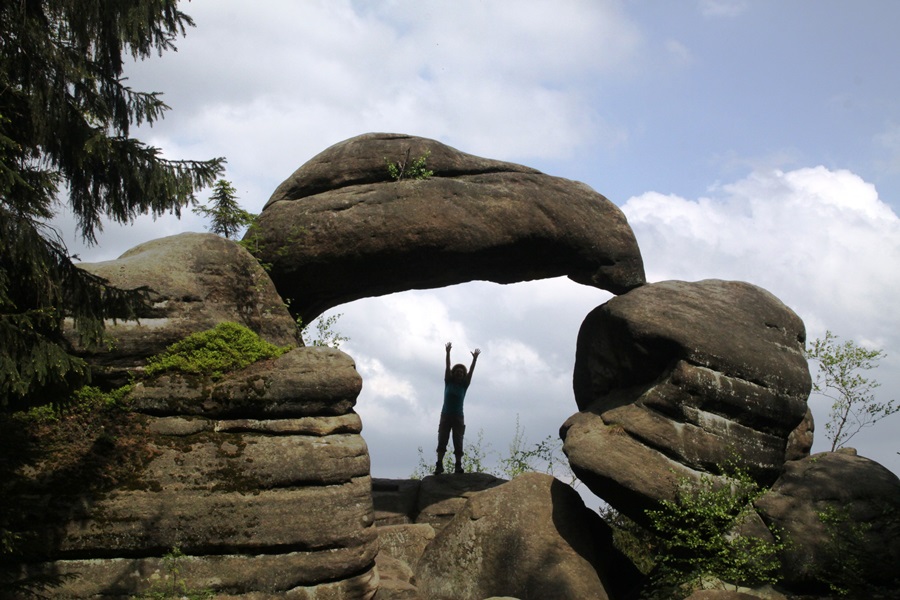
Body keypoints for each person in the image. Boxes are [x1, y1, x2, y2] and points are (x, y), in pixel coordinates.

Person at [435, 342, 481, 474]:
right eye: (458, 372)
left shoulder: (464, 386)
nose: (460, 373)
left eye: (462, 372)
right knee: (442, 439)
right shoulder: (448, 382)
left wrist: (474, 359)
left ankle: (458, 465)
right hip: (445, 415)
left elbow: (471, 372)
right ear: (453, 373)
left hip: (458, 416)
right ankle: (439, 464)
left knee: (458, 440)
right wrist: (448, 353)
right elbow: (447, 366)